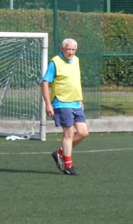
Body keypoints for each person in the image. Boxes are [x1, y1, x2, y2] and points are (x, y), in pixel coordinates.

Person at [42, 38, 88, 176]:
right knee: (68, 133)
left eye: (73, 50)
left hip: (75, 102)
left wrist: (80, 99)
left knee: (83, 132)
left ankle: (60, 153)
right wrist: (48, 104)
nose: (71, 52)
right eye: (68, 49)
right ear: (62, 49)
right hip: (61, 102)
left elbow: (74, 81)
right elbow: (45, 83)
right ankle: (68, 166)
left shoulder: (76, 60)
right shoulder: (55, 62)